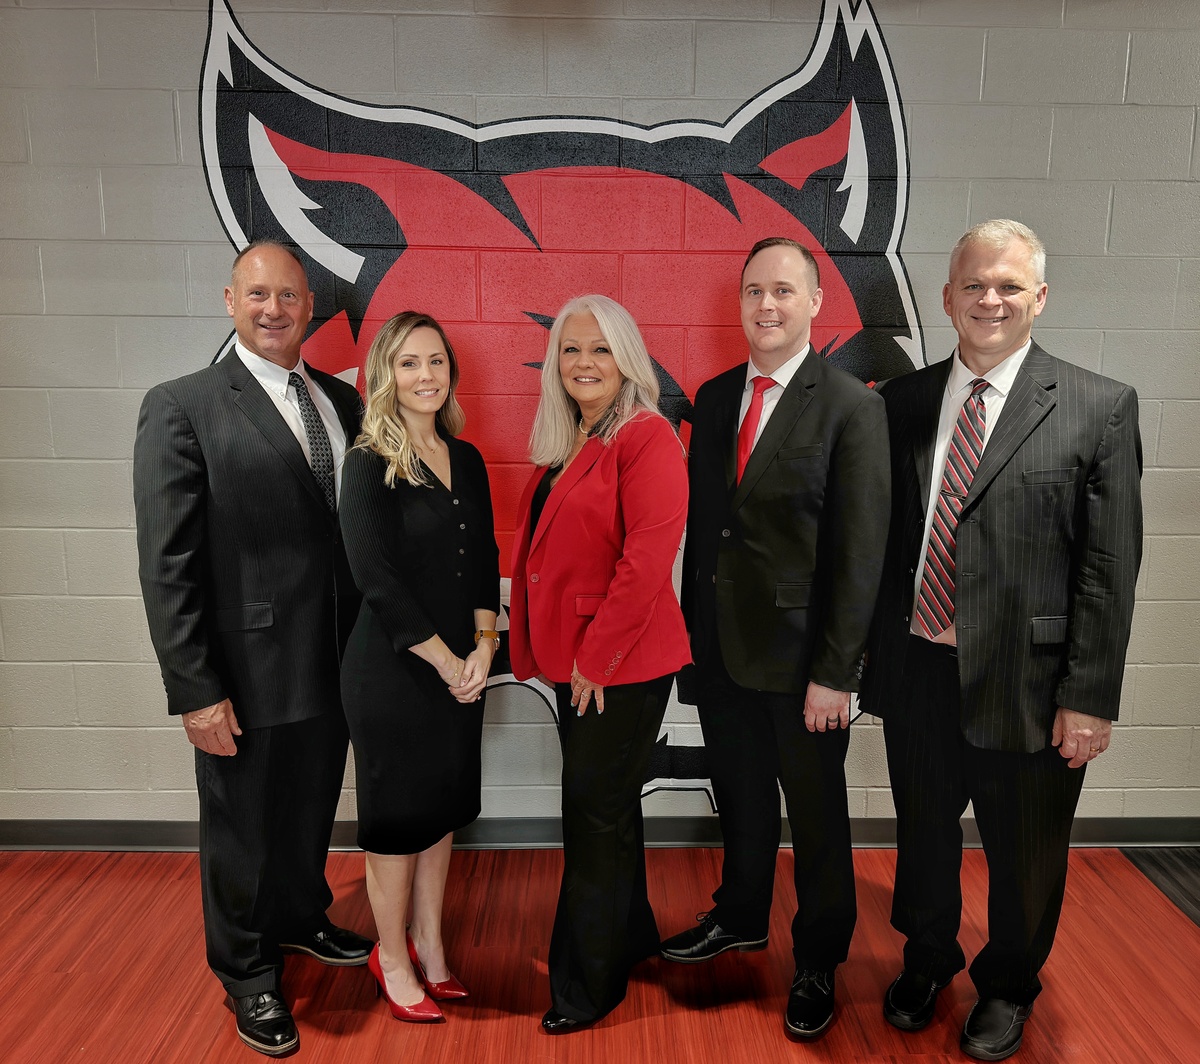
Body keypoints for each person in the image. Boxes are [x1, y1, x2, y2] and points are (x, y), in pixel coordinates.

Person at [860, 220, 1143, 1061]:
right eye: (975, 284)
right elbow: (879, 548)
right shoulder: (900, 403)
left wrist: (1090, 699)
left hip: (1033, 685)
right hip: (918, 672)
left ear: (1039, 298)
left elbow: (1108, 567)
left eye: (1009, 286)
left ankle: (1009, 985)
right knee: (923, 842)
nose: (991, 298)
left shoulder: (1098, 406)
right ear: (947, 297)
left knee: (1025, 860)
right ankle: (927, 958)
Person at [133, 240, 373, 1057]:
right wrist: (194, 688)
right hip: (244, 669)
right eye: (258, 294)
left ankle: (303, 917)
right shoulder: (183, 404)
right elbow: (167, 563)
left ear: (310, 307)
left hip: (334, 661)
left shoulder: (340, 402)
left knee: (309, 807)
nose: (275, 310)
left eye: (290, 297)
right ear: (228, 300)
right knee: (239, 828)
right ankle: (247, 972)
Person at [660, 237, 890, 1040]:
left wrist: (839, 671)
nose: (766, 304)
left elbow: (862, 552)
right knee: (744, 801)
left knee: (818, 818)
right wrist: (691, 641)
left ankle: (820, 959)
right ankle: (741, 915)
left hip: (804, 669)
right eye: (754, 290)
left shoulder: (853, 406)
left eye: (783, 291)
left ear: (815, 302)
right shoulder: (716, 397)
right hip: (721, 653)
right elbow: (710, 531)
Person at [507, 295, 690, 1034]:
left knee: (590, 818)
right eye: (571, 350)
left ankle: (587, 986)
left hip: (621, 664)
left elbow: (647, 562)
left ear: (627, 359)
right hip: (578, 660)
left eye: (600, 349)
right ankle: (632, 936)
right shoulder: (576, 434)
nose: (584, 363)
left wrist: (596, 659)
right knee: (608, 810)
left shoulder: (647, 437)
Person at [338, 311, 500, 1024]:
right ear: (385, 374)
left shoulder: (465, 458)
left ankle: (432, 946)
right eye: (408, 363)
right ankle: (392, 956)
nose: (425, 376)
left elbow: (485, 560)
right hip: (395, 673)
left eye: (435, 362)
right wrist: (444, 659)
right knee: (399, 822)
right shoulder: (369, 460)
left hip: (462, 669)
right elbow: (375, 577)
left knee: (442, 813)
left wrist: (486, 647)